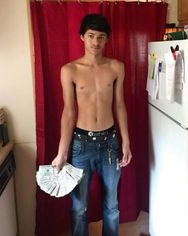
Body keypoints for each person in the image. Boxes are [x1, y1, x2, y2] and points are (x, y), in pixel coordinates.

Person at [51, 13, 132, 236]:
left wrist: (126, 142)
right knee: (78, 207)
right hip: (80, 145)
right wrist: (62, 153)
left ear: (107, 40)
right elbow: (68, 112)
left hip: (109, 143)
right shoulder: (70, 70)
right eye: (91, 36)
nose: (96, 42)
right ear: (82, 37)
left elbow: (120, 105)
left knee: (112, 205)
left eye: (101, 37)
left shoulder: (117, 67)